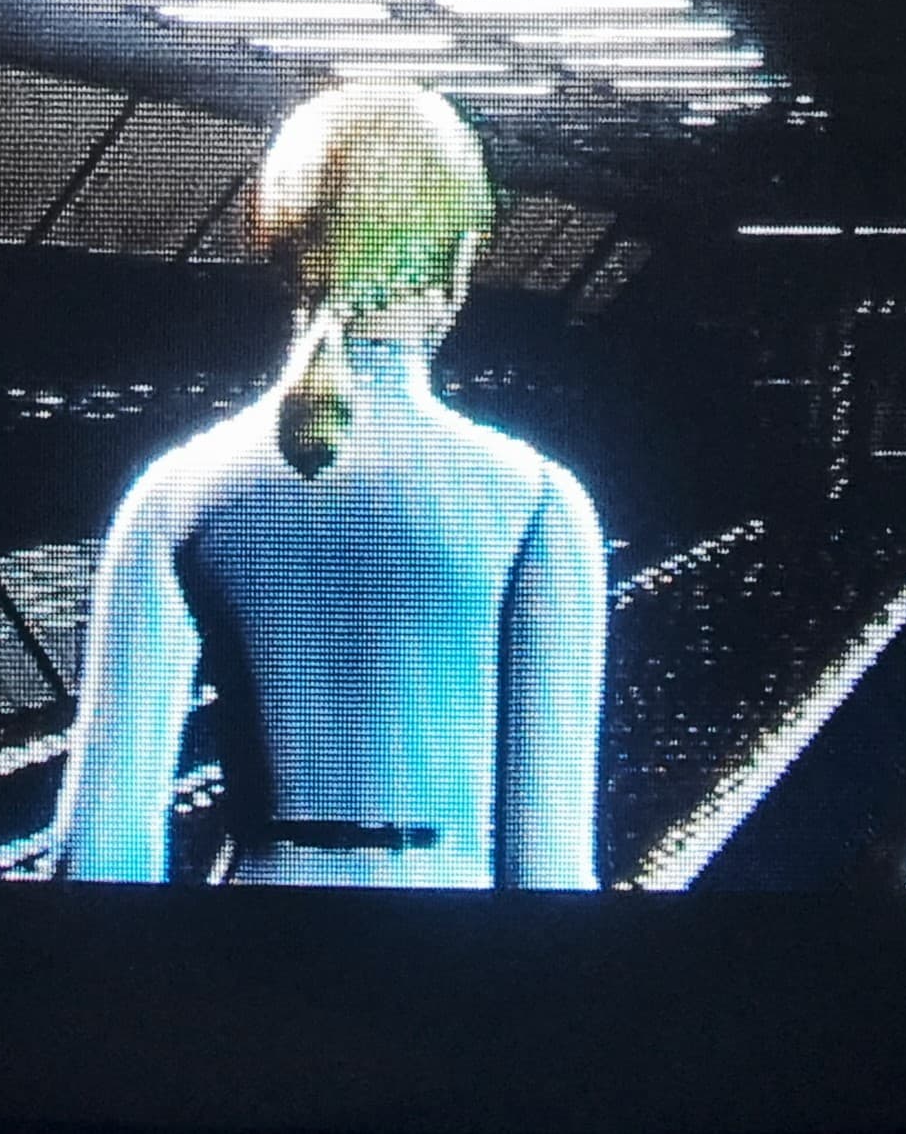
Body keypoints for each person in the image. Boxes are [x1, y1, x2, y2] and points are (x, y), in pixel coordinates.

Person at [51, 84, 607, 888]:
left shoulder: (172, 495)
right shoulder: (536, 502)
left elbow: (97, 851)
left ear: (283, 252)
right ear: (457, 264)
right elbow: (548, 865)